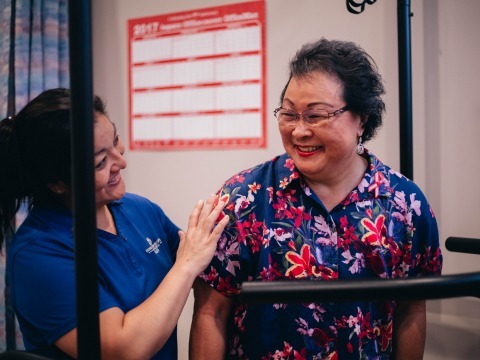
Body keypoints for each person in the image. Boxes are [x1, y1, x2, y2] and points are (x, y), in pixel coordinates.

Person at [189, 38, 443, 359]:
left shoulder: (406, 205)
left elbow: (410, 310)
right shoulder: (244, 200)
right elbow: (211, 313)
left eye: (315, 115)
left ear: (361, 119)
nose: (298, 132)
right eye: (289, 114)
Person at [0, 87, 229, 360]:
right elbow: (122, 349)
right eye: (100, 162)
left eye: (116, 141)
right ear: (57, 183)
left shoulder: (137, 209)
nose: (121, 162)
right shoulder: (37, 254)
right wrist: (186, 265)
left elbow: (208, 264)